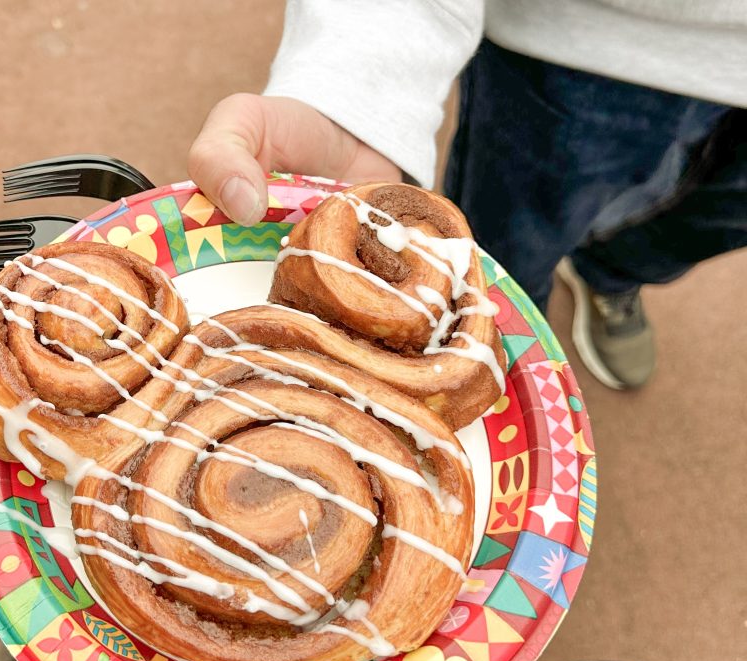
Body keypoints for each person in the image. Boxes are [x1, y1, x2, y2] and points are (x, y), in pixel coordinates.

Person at [187, 0, 747, 390]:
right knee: (508, 249)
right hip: (582, 49)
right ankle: (475, 326)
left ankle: (611, 274)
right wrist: (359, 91)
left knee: (709, 220)